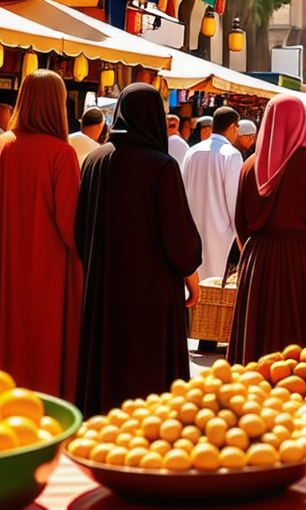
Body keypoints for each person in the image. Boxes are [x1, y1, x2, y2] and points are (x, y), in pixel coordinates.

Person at [76, 84, 201, 410]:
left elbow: (80, 228)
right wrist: (191, 275)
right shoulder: (161, 165)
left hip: (102, 285)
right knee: (149, 372)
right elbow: (178, 236)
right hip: (151, 291)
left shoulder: (94, 161)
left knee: (106, 359)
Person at [0, 70, 81, 399]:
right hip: (48, 273)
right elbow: (72, 227)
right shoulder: (60, 154)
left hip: (4, 266)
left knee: (5, 344)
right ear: (58, 105)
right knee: (44, 354)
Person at [228, 94, 306, 364]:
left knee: (260, 334)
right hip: (304, 262)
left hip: (259, 260)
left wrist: (252, 254)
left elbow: (240, 223)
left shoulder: (249, 166)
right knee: (303, 340)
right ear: (301, 123)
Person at [182, 107, 244, 285]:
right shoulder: (231, 155)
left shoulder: (191, 152)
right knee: (215, 291)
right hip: (221, 237)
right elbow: (235, 203)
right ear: (233, 126)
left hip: (192, 231)